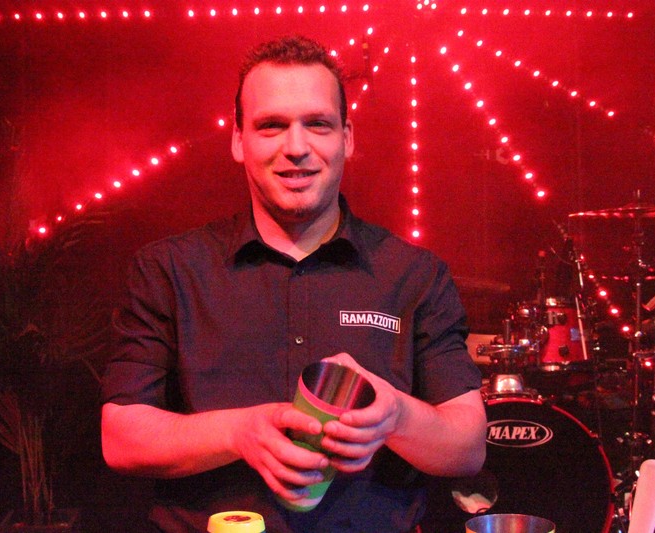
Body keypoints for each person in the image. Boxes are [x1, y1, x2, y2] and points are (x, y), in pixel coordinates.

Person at [100, 35, 486, 533]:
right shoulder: (169, 270)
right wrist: (239, 432)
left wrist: (396, 416)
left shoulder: (414, 274)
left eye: (317, 124)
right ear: (238, 140)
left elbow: (467, 447)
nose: (297, 148)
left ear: (347, 137)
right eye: (272, 126)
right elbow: (121, 437)